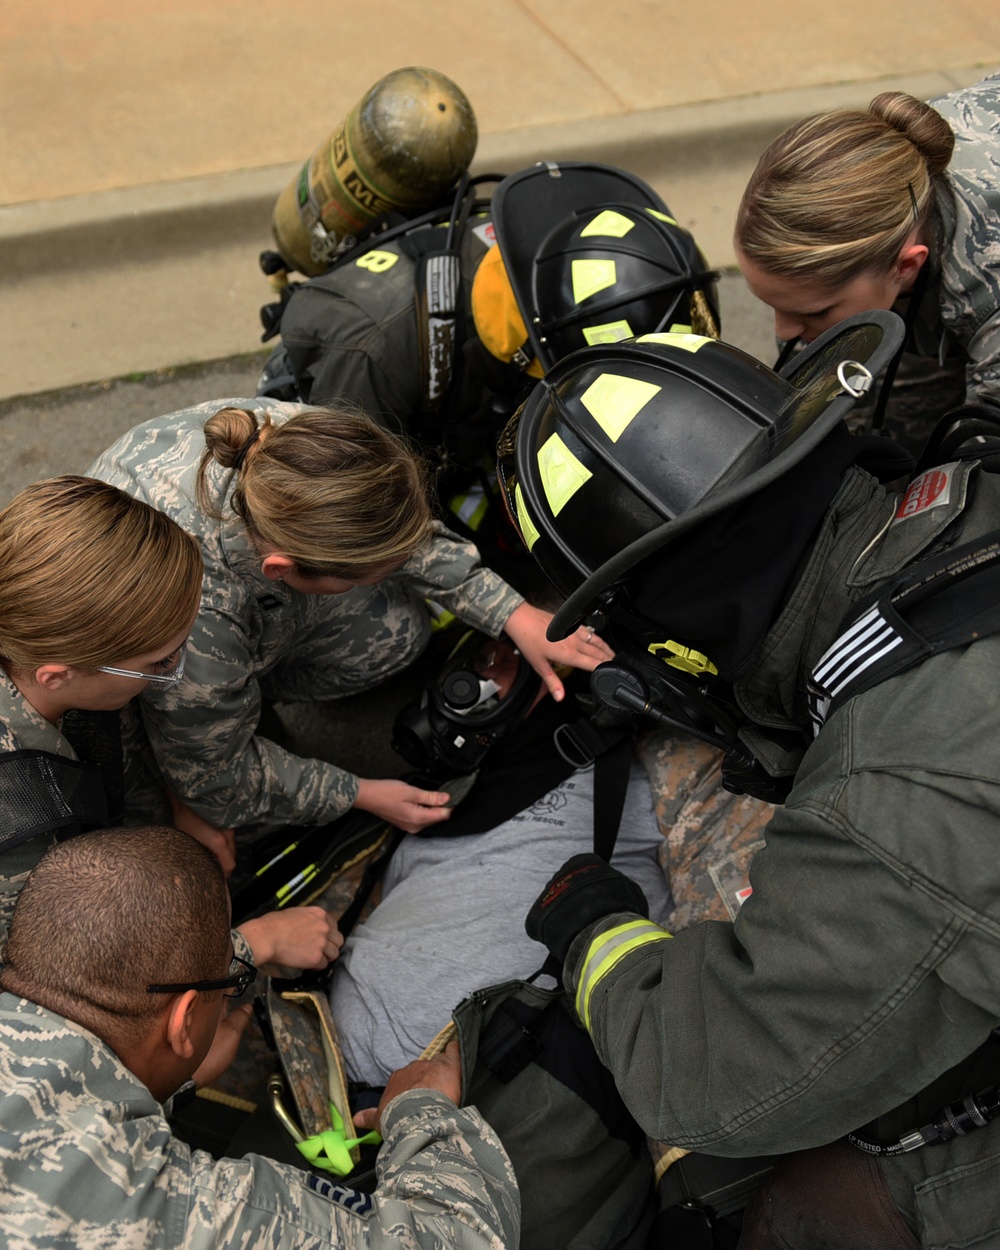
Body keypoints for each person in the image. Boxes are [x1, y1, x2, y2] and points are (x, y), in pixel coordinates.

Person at [500, 316, 1000, 1246]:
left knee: (812, 1215)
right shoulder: (966, 500)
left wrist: (593, 931)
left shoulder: (890, 790)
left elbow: (711, 1084)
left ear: (673, 627)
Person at [89, 399, 611, 841]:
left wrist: (513, 613)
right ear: (282, 569)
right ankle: (223, 713)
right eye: (356, 578)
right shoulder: (196, 617)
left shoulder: (300, 444)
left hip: (216, 603)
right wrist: (360, 793)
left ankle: (234, 704)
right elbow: (217, 785)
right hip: (125, 668)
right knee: (174, 819)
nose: (369, 583)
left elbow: (396, 531)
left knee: (396, 630)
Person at [0, 825, 519, 1248]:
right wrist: (422, 1110)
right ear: (182, 1025)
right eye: (227, 983)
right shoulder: (174, 1209)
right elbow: (457, 1240)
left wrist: (254, 943)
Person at [0, 476, 341, 972]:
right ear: (57, 676)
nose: (176, 670)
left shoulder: (38, 616)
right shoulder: (18, 829)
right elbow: (58, 986)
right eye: (160, 663)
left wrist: (181, 798)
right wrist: (251, 945)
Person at [325, 636, 673, 1086]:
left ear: (551, 677)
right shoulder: (426, 801)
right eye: (472, 662)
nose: (474, 678)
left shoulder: (628, 774)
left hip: (473, 1090)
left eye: (498, 662)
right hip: (327, 1069)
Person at [261, 162, 719, 478]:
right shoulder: (375, 351)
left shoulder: (549, 251)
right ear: (530, 355)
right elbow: (352, 515)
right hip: (355, 429)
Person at [735, 72, 1000, 408]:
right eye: (774, 303)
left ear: (905, 266)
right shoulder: (897, 157)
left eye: (815, 311)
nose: (783, 330)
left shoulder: (990, 280)